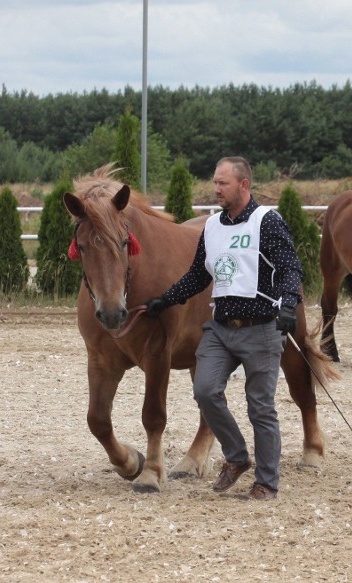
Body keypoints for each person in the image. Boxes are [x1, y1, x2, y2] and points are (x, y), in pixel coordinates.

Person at [144, 156, 302, 501]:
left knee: (260, 407)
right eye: (215, 182)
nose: (216, 189)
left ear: (243, 185)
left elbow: (290, 267)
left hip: (260, 328)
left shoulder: (267, 222)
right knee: (204, 390)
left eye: (223, 183)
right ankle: (237, 456)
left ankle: (266, 483)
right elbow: (200, 274)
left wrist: (289, 304)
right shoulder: (212, 227)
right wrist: (166, 299)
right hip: (220, 327)